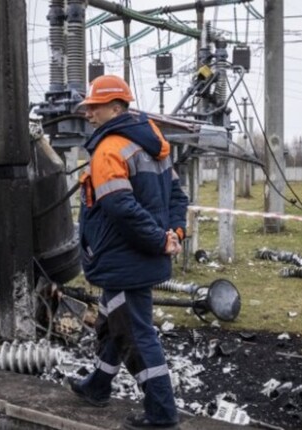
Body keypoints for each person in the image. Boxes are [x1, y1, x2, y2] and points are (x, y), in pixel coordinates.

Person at [69, 75, 188, 430]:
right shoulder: (154, 145)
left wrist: (158, 239)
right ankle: (98, 386)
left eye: (95, 108)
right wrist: (173, 234)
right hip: (139, 256)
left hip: (124, 259)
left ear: (116, 108)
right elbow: (177, 198)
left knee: (136, 334)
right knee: (113, 322)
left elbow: (121, 207)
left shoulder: (110, 149)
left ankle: (162, 414)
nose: (89, 115)